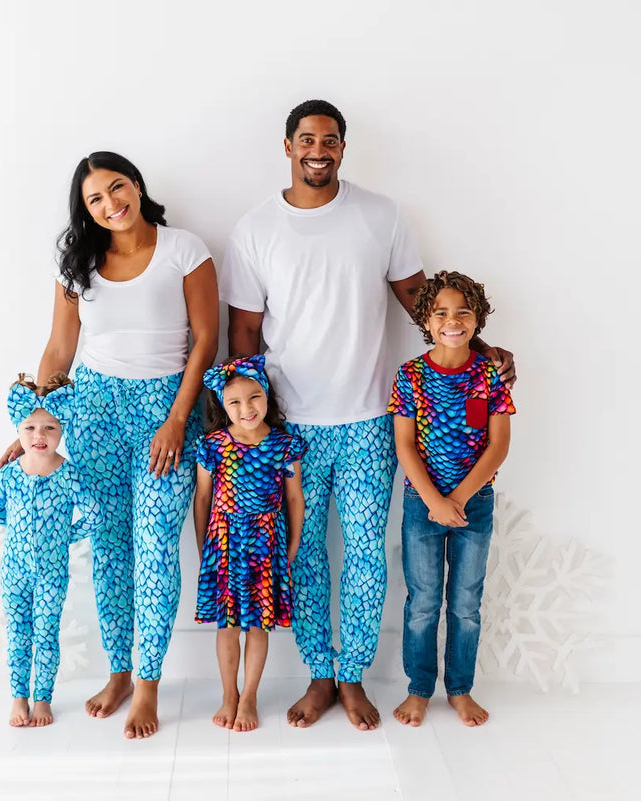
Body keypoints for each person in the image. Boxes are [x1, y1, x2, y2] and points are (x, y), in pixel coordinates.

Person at [221, 99, 516, 730]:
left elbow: (423, 304)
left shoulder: (380, 215)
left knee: (363, 553)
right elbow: (242, 335)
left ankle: (352, 677)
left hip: (367, 421)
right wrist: (246, 427)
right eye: (306, 140)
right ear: (288, 146)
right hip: (288, 427)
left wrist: (481, 348)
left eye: (330, 141)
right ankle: (319, 676)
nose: (318, 151)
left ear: (343, 148)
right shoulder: (255, 229)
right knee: (301, 555)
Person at [0, 152, 219, 738]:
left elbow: (205, 342)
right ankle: (119, 671)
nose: (110, 203)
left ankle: (148, 686)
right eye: (95, 198)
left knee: (154, 549)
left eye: (116, 188)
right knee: (111, 548)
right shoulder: (77, 262)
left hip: (163, 410)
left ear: (137, 186)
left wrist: (177, 419)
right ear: (86, 209)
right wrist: (32, 432)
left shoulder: (184, 250)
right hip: (91, 410)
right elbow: (58, 351)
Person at [387, 271, 515, 726]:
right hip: (421, 507)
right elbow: (404, 446)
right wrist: (434, 502)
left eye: (463, 311)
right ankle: (419, 688)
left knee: (465, 602)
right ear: (426, 319)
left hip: (474, 506)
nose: (452, 320)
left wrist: (458, 499)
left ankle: (459, 689)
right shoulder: (411, 376)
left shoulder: (489, 376)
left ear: (478, 318)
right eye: (441, 312)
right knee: (423, 601)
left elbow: (498, 445)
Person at [193, 355, 306, 732]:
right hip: (223, 545)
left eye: (254, 398)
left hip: (266, 546)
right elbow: (202, 500)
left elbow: (294, 499)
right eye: (235, 402)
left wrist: (290, 547)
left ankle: (250, 695)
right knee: (227, 626)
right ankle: (229, 694)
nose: (247, 409)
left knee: (258, 625)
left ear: (267, 397)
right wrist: (204, 547)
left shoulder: (283, 445)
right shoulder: (213, 445)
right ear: (222, 406)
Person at [0, 373, 102, 727]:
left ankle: (42, 699)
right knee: (19, 632)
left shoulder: (70, 475)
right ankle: (18, 697)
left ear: (61, 429)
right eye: (31, 428)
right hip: (14, 571)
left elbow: (94, 515)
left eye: (50, 428)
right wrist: (22, 531)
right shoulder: (9, 475)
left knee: (46, 633)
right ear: (18, 432)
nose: (39, 436)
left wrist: (63, 536)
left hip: (52, 572)